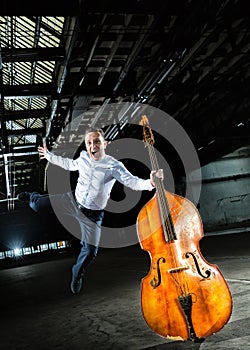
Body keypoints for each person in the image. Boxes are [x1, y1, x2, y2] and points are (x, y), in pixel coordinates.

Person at [18, 127, 163, 294]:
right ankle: (31, 197)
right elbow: (69, 165)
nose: (92, 145)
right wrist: (49, 156)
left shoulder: (113, 165)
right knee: (37, 206)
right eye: (89, 142)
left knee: (90, 251)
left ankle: (77, 272)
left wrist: (150, 183)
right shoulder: (83, 157)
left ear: (104, 144)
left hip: (92, 215)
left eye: (96, 142)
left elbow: (132, 182)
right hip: (72, 200)